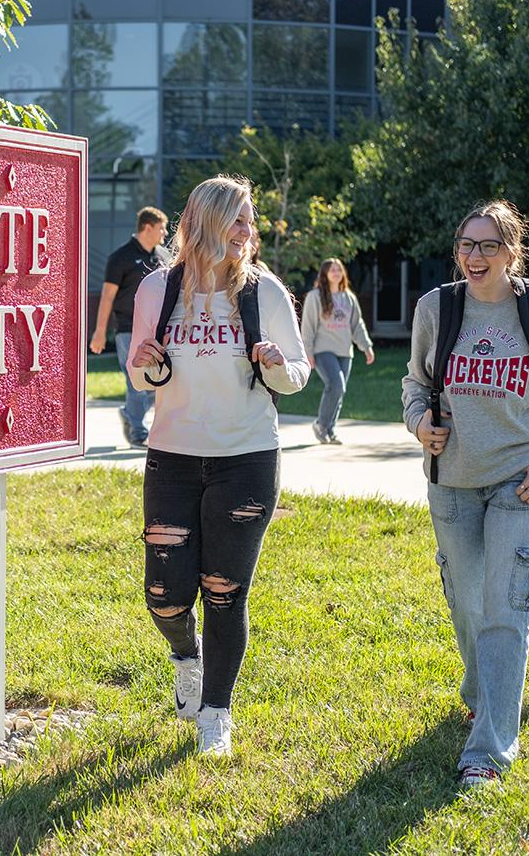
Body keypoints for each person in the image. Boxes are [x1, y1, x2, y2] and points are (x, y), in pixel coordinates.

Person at [402, 200, 529, 788]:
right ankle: (482, 691)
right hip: (451, 484)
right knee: (468, 606)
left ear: (512, 252)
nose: (473, 256)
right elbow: (415, 381)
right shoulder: (438, 308)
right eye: (465, 244)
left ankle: (488, 751)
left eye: (487, 246)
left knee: (505, 612)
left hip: (518, 484)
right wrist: (418, 423)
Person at [127, 176, 309, 757]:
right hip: (174, 457)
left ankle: (216, 714)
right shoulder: (158, 290)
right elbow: (142, 375)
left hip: (247, 458)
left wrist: (279, 364)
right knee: (165, 594)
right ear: (206, 222)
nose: (247, 231)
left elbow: (296, 376)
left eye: (250, 221)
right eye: (238, 219)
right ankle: (188, 657)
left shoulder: (265, 291)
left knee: (225, 591)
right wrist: (145, 363)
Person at [90, 207, 169, 447]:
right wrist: (100, 332)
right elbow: (107, 296)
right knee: (137, 380)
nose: (165, 233)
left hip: (159, 329)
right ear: (147, 227)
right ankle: (138, 432)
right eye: (161, 228)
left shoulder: (164, 256)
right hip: (127, 328)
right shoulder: (120, 258)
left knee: (160, 381)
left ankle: (130, 414)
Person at [300, 259, 375, 444]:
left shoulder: (348, 297)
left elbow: (357, 324)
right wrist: (307, 352)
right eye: (331, 270)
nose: (336, 272)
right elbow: (307, 327)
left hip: (344, 351)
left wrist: (366, 346)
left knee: (339, 391)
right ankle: (321, 425)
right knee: (336, 385)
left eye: (338, 269)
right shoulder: (315, 296)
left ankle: (330, 430)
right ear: (324, 274)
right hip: (323, 350)